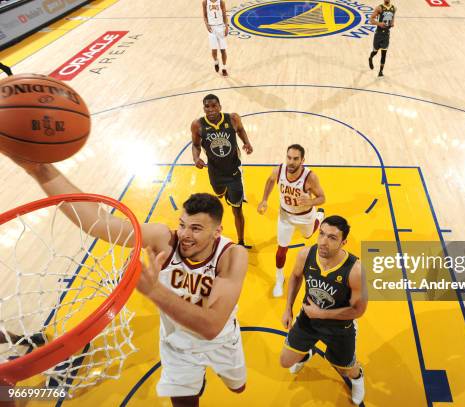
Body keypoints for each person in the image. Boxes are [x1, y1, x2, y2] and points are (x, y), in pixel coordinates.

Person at [6, 158, 249, 407]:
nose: (185, 235)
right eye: (183, 225)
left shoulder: (232, 256)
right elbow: (100, 224)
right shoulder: (165, 238)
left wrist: (154, 291)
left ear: (217, 232)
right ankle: (193, 379)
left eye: (196, 228)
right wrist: (40, 169)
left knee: (238, 388)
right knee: (184, 402)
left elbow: (211, 326)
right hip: (177, 343)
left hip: (221, 340)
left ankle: (215, 373)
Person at [279, 216, 367, 405]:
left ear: (344, 242)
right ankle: (305, 352)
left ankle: (358, 377)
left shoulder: (355, 270)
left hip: (339, 328)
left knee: (346, 370)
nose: (323, 242)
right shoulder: (306, 254)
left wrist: (322, 314)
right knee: (285, 361)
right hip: (308, 320)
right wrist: (288, 309)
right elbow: (295, 276)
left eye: (332, 238)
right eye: (321, 234)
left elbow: (358, 310)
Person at [257, 144, 326, 297]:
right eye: (289, 157)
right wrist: (264, 200)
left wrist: (310, 202)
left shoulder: (310, 177)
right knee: (281, 249)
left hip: (305, 216)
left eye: (295, 159)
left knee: (308, 236)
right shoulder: (279, 169)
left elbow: (322, 198)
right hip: (285, 216)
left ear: (302, 160)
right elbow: (269, 181)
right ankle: (279, 278)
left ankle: (319, 218)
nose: (291, 162)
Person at [192, 94, 254, 248]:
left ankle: (241, 241)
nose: (211, 109)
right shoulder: (198, 125)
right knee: (219, 194)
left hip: (233, 173)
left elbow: (240, 130)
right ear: (204, 108)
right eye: (207, 106)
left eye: (214, 106)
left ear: (220, 106)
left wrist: (247, 143)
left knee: (237, 210)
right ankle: (225, 194)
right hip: (215, 172)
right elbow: (196, 145)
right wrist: (196, 158)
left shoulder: (232, 118)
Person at [368, 0, 396, 77]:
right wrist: (379, 23)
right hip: (379, 34)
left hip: (386, 34)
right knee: (375, 51)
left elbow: (393, 17)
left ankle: (381, 71)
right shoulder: (379, 8)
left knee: (384, 54)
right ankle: (370, 58)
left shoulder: (394, 8)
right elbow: (371, 19)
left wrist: (392, 23)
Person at [202, 0, 230, 76]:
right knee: (214, 50)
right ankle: (216, 61)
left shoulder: (221, 2)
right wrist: (207, 25)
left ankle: (224, 68)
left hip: (220, 27)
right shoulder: (205, 2)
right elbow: (204, 15)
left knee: (223, 50)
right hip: (211, 28)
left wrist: (226, 27)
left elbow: (224, 15)